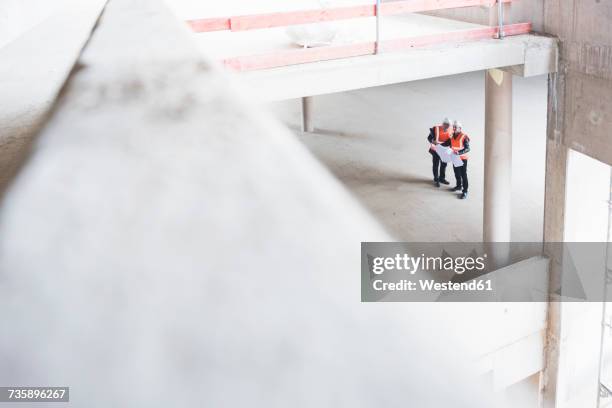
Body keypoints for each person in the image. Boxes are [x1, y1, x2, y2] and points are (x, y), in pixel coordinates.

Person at [427, 118, 452, 187]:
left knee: (444, 164)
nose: (447, 127)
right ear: (443, 124)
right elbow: (429, 137)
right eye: (446, 125)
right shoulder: (436, 129)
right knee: (436, 164)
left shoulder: (450, 130)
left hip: (445, 150)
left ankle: (442, 178)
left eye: (448, 126)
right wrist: (432, 141)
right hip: (436, 149)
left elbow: (451, 140)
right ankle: (436, 179)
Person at [449, 121, 470, 199]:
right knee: (457, 173)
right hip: (455, 157)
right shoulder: (451, 135)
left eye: (455, 127)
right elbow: (450, 145)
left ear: (460, 128)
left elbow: (467, 148)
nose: (454, 128)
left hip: (462, 158)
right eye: (453, 127)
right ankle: (458, 186)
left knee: (463, 174)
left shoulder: (464, 136)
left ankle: (465, 191)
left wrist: (459, 152)